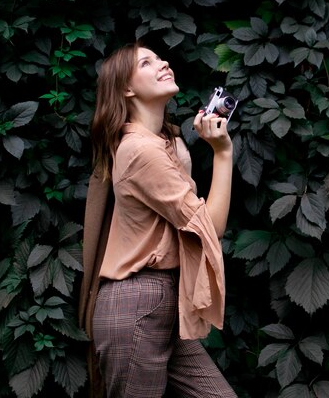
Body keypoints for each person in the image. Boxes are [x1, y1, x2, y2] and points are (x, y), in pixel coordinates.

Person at [77, 41, 236, 398]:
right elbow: (210, 228)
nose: (163, 63)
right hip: (137, 300)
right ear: (127, 89)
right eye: (147, 63)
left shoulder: (162, 143)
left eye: (161, 58)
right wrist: (223, 154)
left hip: (160, 300)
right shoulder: (141, 150)